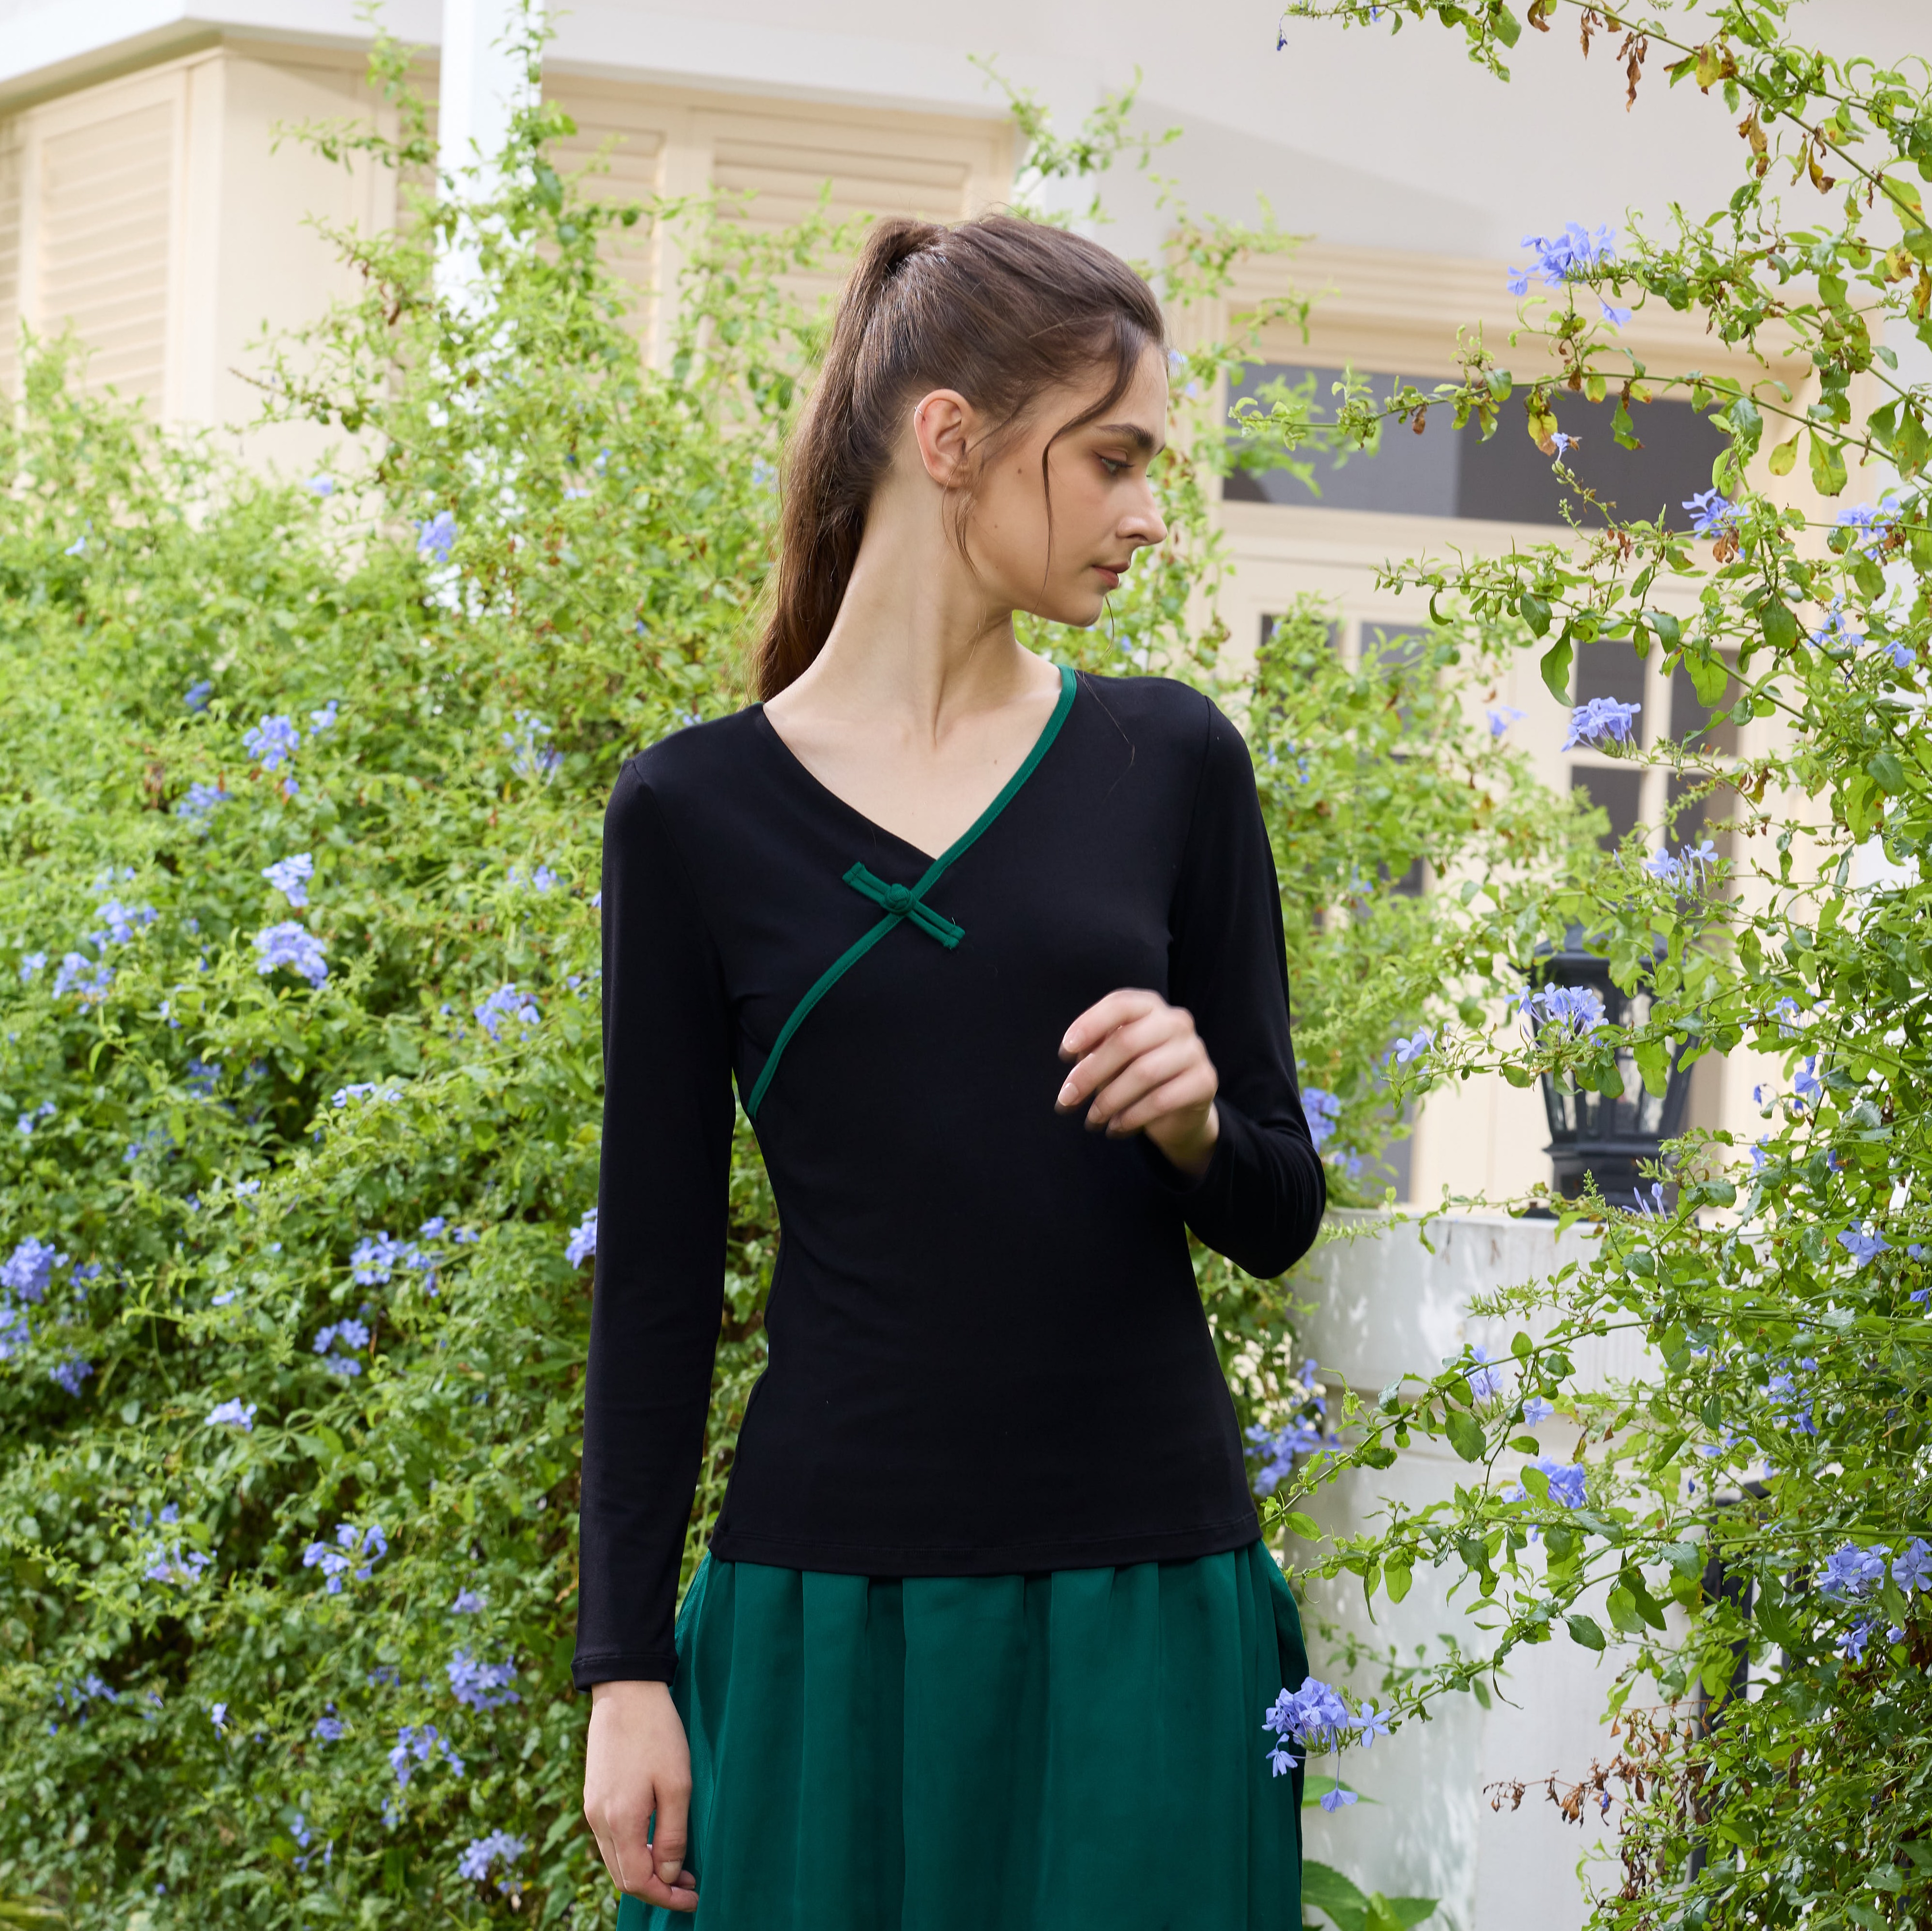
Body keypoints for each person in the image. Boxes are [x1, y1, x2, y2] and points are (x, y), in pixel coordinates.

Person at [576, 211, 1326, 1931]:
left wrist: (1198, 1125)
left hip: (1145, 1605)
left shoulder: (1170, 763)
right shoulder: (691, 813)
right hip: (825, 1613)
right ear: (949, 439)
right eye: (1112, 457)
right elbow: (659, 1275)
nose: (1148, 512)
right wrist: (624, 1669)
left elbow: (1281, 1210)